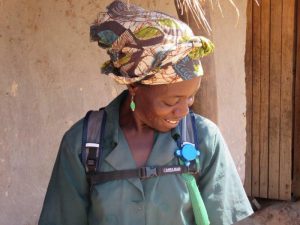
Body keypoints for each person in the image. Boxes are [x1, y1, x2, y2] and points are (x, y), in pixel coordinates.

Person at [38, 1, 253, 225]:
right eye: (172, 100)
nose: (183, 111)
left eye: (190, 97)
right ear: (134, 87)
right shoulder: (84, 145)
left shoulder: (204, 139)